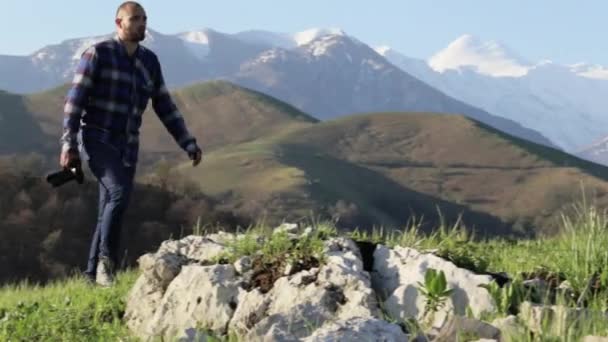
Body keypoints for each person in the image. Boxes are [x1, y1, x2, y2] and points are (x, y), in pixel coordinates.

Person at [59, 1, 202, 286]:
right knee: (120, 193)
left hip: (128, 145)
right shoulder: (97, 54)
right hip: (97, 137)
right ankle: (106, 265)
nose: (141, 24)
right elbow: (74, 102)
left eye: (144, 19)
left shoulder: (149, 62)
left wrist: (187, 142)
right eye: (135, 18)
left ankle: (90, 278)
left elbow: (164, 105)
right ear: (118, 23)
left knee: (108, 207)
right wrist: (69, 144)